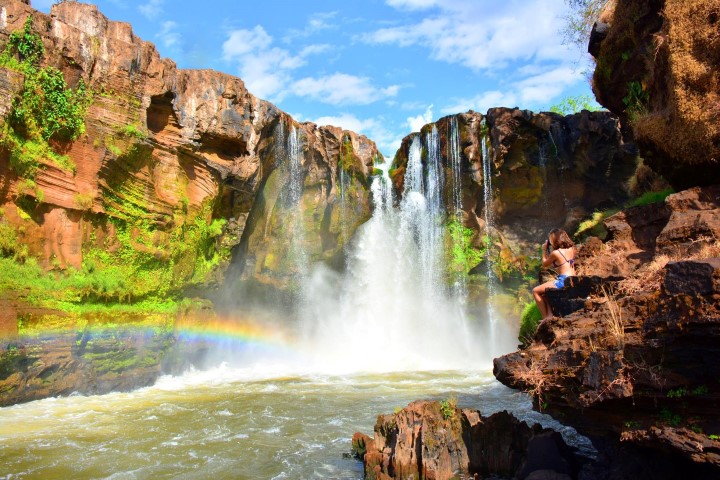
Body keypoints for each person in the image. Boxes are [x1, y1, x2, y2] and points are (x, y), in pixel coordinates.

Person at [532, 228, 576, 320]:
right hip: (573, 279)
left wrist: (544, 250)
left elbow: (544, 264)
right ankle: (549, 315)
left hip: (563, 281)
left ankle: (545, 318)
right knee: (545, 293)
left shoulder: (556, 253)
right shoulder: (572, 249)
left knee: (536, 291)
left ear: (555, 240)